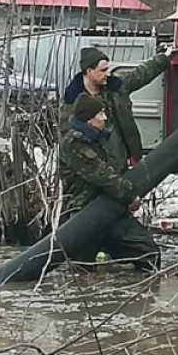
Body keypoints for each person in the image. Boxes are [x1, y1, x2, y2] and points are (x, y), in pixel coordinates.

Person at [58, 94, 160, 271]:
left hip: (111, 209)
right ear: (89, 119)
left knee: (148, 253)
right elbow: (102, 175)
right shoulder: (75, 143)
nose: (104, 118)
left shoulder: (101, 139)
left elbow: (116, 170)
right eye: (101, 114)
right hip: (84, 214)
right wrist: (130, 195)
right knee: (82, 270)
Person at [60, 43, 178, 172]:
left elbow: (140, 74)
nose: (108, 74)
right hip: (95, 169)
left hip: (120, 162)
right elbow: (68, 142)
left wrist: (164, 58)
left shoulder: (115, 88)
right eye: (103, 70)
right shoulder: (72, 102)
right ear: (89, 71)